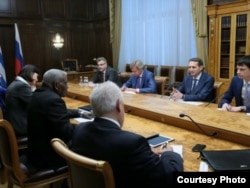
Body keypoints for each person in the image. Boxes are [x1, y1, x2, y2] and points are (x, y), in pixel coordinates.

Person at [70, 81, 183, 188]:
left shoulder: (80, 130)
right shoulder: (132, 144)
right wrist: (169, 154)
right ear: (119, 106)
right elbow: (168, 178)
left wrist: (145, 154)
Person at [24, 69, 84, 172]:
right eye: (65, 83)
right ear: (57, 85)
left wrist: (80, 112)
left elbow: (55, 112)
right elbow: (67, 132)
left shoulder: (39, 93)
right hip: (49, 157)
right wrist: (86, 126)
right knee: (88, 145)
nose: (68, 86)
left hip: (36, 151)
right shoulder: (54, 100)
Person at [5, 64, 40, 136]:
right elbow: (36, 104)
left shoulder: (16, 83)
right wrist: (33, 88)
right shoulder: (21, 86)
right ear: (30, 74)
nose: (37, 80)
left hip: (16, 124)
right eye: (36, 77)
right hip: (21, 127)